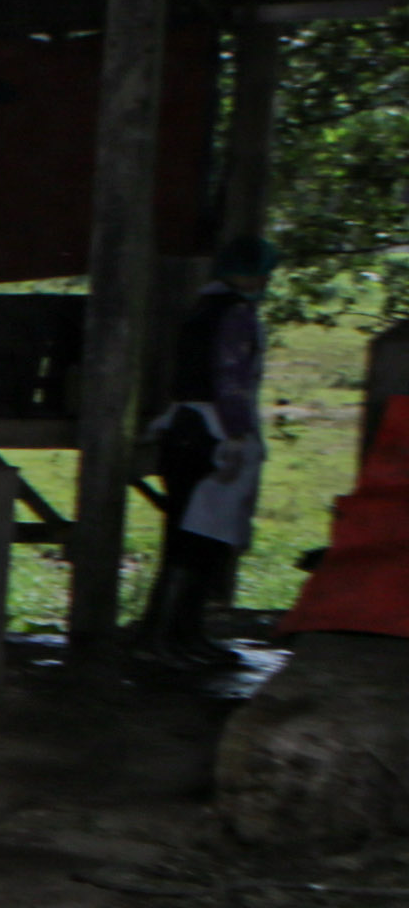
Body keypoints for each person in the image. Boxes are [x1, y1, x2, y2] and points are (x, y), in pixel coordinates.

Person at [138, 234, 276, 663]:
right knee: (197, 541)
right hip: (211, 434)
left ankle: (179, 635)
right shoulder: (235, 315)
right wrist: (238, 435)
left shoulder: (202, 310)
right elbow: (230, 379)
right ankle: (166, 638)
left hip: (186, 429)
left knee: (189, 538)